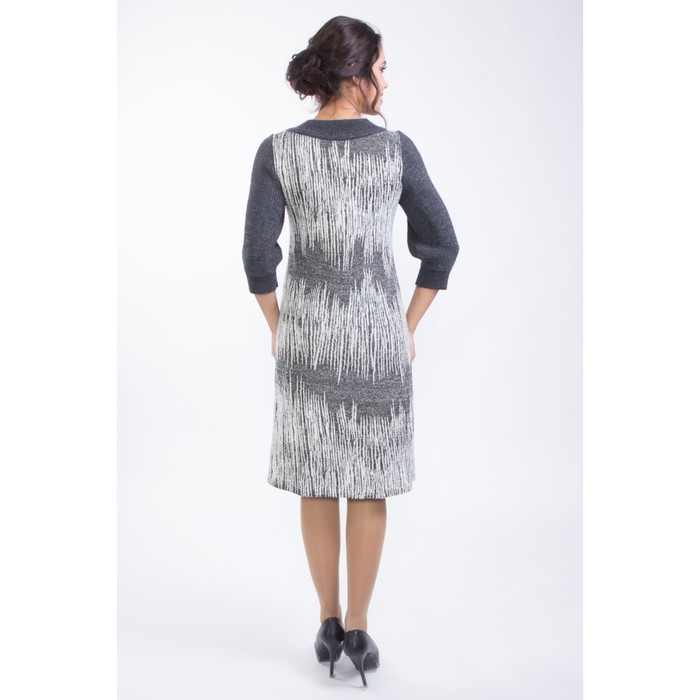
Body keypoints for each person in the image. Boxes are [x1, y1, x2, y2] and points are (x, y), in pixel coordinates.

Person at [242, 15, 459, 687]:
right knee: (368, 481)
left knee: (316, 478)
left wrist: (279, 325)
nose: (387, 81)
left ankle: (328, 622)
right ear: (357, 73)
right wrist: (407, 324)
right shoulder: (395, 151)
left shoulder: (278, 150)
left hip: (306, 342)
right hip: (377, 343)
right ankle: (360, 631)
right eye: (382, 69)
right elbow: (442, 244)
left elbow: (256, 257)